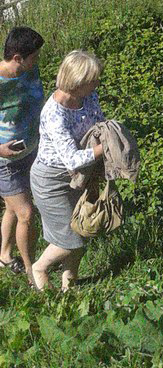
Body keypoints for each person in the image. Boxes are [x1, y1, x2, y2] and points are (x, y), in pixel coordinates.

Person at [30, 51, 106, 291]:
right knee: (70, 240)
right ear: (77, 81)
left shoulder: (89, 97)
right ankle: (39, 269)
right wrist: (104, 149)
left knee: (80, 232)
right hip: (51, 180)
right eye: (92, 79)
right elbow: (71, 159)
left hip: (79, 177)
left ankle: (69, 286)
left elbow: (99, 124)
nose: (97, 84)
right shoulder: (54, 113)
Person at [0, 27, 45, 281]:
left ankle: (4, 255)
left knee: (11, 209)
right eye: (34, 57)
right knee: (26, 213)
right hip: (5, 160)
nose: (37, 61)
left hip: (32, 149)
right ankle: (32, 271)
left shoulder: (29, 71)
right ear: (17, 57)